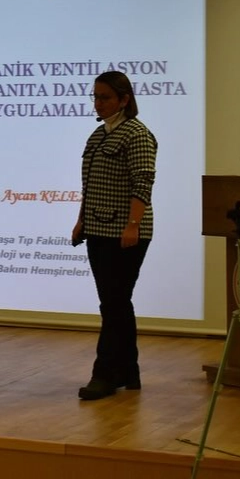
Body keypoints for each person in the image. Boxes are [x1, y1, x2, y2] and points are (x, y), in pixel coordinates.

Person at [71, 71, 158, 400]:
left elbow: (143, 182)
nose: (98, 103)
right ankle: (128, 371)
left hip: (126, 232)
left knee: (114, 302)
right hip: (97, 230)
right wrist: (81, 220)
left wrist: (133, 225)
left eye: (105, 97)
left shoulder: (137, 134)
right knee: (116, 303)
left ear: (124, 99)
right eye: (95, 96)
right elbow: (90, 184)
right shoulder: (98, 135)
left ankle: (105, 374)